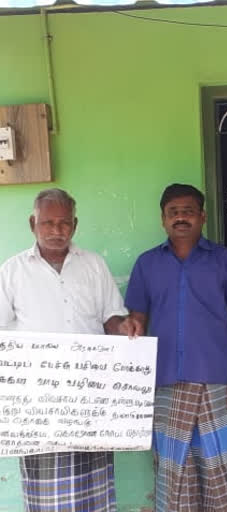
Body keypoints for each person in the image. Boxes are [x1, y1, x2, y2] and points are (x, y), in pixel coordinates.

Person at [119, 184, 227, 512]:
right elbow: (137, 316)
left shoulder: (224, 260)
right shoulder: (147, 264)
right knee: (174, 476)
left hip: (218, 385)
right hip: (165, 385)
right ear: (163, 219)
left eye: (188, 211)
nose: (181, 217)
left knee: (223, 472)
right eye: (173, 212)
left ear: (202, 217)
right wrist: (131, 325)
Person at [0, 188, 128, 512]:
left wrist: (123, 327)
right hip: (39, 404)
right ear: (33, 224)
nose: (57, 231)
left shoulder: (93, 265)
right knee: (46, 493)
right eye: (48, 223)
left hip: (88, 397)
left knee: (94, 486)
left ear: (75, 224)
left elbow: (111, 316)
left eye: (64, 223)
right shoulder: (11, 272)